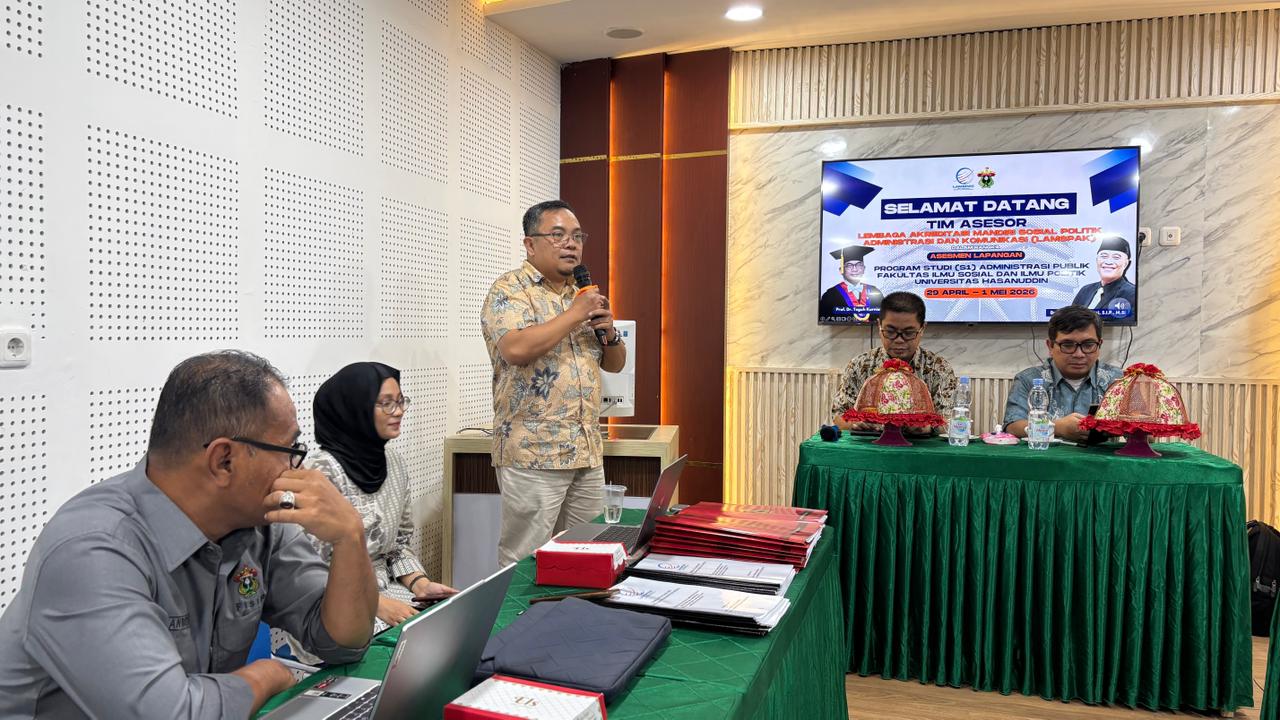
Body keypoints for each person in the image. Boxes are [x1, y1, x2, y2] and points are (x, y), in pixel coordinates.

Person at [0, 351, 378, 719]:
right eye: (289, 450)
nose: (297, 469)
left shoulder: (260, 525)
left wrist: (350, 536)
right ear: (224, 460)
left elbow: (342, 643)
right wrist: (266, 674)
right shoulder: (92, 550)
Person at [481, 200, 627, 567]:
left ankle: (576, 608)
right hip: (534, 453)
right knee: (524, 560)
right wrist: (575, 314)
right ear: (530, 244)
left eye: (577, 236)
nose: (571, 244)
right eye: (558, 235)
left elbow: (615, 364)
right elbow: (516, 348)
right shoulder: (510, 290)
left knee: (588, 555)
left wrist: (609, 332)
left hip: (585, 449)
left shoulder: (581, 294)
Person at [305, 362, 457, 629]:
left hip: (387, 591)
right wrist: (376, 604)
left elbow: (397, 544)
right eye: (386, 403)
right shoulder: (321, 473)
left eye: (400, 401)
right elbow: (309, 570)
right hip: (332, 603)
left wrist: (420, 584)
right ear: (355, 408)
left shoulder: (393, 462)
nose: (399, 411)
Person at [830, 291, 958, 430]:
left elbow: (951, 420)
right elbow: (838, 414)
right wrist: (855, 424)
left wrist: (927, 428)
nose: (899, 340)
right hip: (871, 442)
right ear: (879, 326)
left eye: (909, 333)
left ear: (922, 329)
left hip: (920, 443)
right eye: (890, 332)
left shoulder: (939, 369)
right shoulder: (860, 365)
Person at [1003, 305, 1124, 443]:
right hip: (1045, 455)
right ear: (1050, 346)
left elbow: (1141, 432)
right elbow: (1012, 427)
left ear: (1099, 345)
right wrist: (1057, 427)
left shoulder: (1118, 380)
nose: (1079, 354)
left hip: (1099, 457)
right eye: (1068, 345)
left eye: (1088, 345)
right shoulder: (1029, 379)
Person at [1070, 234, 1137, 320]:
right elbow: (1070, 320)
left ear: (1126, 263)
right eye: (1104, 256)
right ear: (1097, 260)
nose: (1108, 262)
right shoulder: (1085, 290)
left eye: (1116, 257)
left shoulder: (1132, 293)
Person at [819, 244, 884, 321]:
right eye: (849, 266)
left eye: (859, 265)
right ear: (841, 270)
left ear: (864, 269)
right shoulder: (830, 295)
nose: (855, 269)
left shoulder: (875, 292)